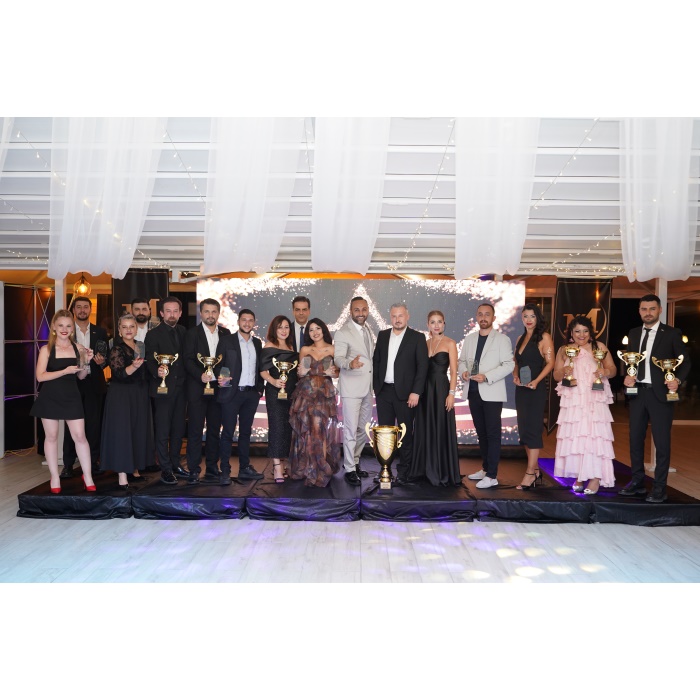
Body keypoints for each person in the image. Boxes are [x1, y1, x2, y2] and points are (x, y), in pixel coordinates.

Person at [619, 294, 691, 503]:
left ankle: (659, 488)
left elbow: (685, 362)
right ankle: (638, 483)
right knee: (635, 440)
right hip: (638, 393)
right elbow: (631, 362)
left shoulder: (672, 333)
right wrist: (628, 377)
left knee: (662, 442)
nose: (648, 313)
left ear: (660, 310)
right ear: (639, 311)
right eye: (644, 309)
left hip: (660, 394)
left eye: (652, 309)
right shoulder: (633, 333)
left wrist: (677, 380)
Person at [31, 310, 96, 493]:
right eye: (61, 325)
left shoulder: (79, 348)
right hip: (50, 397)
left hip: (71, 396)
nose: (64, 329)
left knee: (80, 437)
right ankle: (54, 477)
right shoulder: (46, 349)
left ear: (72, 328)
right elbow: (40, 376)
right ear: (54, 326)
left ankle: (88, 476)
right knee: (51, 437)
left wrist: (87, 362)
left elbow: (81, 376)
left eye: (68, 325)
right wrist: (64, 371)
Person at [552, 315, 616, 494]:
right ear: (571, 333)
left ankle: (595, 477)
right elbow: (556, 375)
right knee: (576, 435)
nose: (582, 335)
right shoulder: (564, 350)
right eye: (577, 331)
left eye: (585, 331)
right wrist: (564, 371)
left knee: (593, 435)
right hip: (573, 399)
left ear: (591, 332)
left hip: (594, 398)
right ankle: (580, 475)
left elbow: (612, 369)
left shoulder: (599, 347)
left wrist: (605, 372)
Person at [372, 303, 429, 485]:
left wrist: (416, 392)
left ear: (407, 316)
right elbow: (376, 361)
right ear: (390, 317)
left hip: (407, 395)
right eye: (394, 316)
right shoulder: (382, 335)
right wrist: (377, 388)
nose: (397, 319)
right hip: (384, 392)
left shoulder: (417, 337)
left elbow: (422, 367)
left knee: (405, 435)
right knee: (385, 435)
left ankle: (404, 472)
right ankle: (385, 470)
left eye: (401, 316)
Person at [459, 302, 514, 489]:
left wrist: (487, 376)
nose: (483, 317)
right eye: (480, 314)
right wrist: (463, 372)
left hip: (492, 393)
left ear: (493, 318)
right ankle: (485, 469)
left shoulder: (502, 339)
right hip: (473, 392)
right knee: (481, 434)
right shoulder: (470, 339)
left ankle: (492, 475)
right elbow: (461, 361)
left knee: (492, 434)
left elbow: (509, 364)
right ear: (477, 317)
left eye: (487, 314)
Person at [100, 313, 154, 489]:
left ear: (136, 328)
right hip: (121, 395)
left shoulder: (141, 345)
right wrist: (134, 366)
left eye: (132, 326)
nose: (128, 330)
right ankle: (122, 475)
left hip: (140, 394)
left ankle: (135, 470)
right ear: (119, 330)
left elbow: (146, 371)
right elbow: (120, 374)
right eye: (125, 327)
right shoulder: (116, 349)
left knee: (137, 430)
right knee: (122, 432)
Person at [409, 310, 461, 486]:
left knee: (439, 426)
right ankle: (424, 469)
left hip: (441, 390)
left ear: (444, 323)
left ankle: (440, 471)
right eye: (433, 322)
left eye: (439, 321)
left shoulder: (450, 343)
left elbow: (454, 372)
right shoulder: (425, 343)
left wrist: (451, 394)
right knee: (424, 426)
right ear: (428, 325)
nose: (436, 325)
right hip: (425, 391)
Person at [183, 298, 231, 484]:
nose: (210, 315)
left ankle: (212, 467)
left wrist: (223, 377)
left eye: (214, 311)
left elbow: (227, 361)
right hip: (197, 388)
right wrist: (200, 375)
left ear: (218, 313)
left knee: (214, 431)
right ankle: (193, 470)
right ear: (201, 313)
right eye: (207, 311)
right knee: (195, 431)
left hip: (217, 390)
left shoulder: (226, 333)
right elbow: (187, 360)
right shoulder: (191, 334)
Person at [289, 319, 342, 487]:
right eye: (311, 330)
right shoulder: (305, 349)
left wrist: (333, 374)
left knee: (320, 430)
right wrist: (302, 372)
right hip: (306, 393)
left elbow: (337, 372)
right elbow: (301, 374)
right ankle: (309, 468)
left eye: (317, 328)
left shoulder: (333, 349)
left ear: (323, 329)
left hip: (323, 393)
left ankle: (321, 467)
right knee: (308, 430)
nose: (315, 332)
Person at [60, 296, 108, 479]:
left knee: (94, 425)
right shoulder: (67, 331)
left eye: (85, 307)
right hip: (72, 383)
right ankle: (68, 464)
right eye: (78, 307)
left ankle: (93, 462)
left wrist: (102, 362)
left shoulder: (100, 332)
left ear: (90, 309)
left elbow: (105, 357)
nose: (82, 310)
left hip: (94, 383)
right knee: (71, 426)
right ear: (74, 310)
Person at [215, 309, 264, 485]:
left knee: (245, 432)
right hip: (231, 393)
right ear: (238, 321)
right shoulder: (226, 340)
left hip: (251, 394)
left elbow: (260, 367)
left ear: (254, 323)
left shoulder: (257, 343)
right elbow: (219, 364)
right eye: (244, 320)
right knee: (228, 433)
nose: (247, 323)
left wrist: (259, 390)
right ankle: (225, 471)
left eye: (250, 320)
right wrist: (222, 379)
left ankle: (244, 468)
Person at [145, 296, 188, 485]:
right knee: (163, 430)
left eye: (175, 311)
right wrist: (157, 371)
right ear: (162, 313)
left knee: (178, 429)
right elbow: (150, 360)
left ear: (180, 313)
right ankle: (165, 469)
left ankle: (176, 464)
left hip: (182, 389)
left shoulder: (184, 331)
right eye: (168, 311)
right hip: (162, 389)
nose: (172, 314)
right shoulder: (153, 335)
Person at [513, 303, 555, 489]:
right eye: (525, 316)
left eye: (532, 316)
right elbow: (516, 362)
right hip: (522, 390)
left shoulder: (544, 337)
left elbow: (550, 363)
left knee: (534, 429)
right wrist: (515, 376)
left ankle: (530, 473)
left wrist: (537, 381)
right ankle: (535, 470)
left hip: (535, 390)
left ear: (538, 318)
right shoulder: (520, 338)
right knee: (524, 430)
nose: (528, 320)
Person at [333, 296, 374, 486]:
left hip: (367, 387)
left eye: (364, 309)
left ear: (368, 311)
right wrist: (350, 364)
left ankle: (355, 462)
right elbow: (338, 358)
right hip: (351, 387)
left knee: (362, 430)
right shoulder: (343, 332)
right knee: (350, 430)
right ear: (350, 311)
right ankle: (349, 468)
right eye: (357, 310)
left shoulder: (368, 330)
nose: (361, 313)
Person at [260, 315, 299, 481]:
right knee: (277, 427)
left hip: (292, 392)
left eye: (286, 327)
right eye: (280, 327)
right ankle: (276, 467)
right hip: (275, 392)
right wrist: (274, 381)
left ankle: (284, 463)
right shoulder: (269, 346)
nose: (284, 330)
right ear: (274, 329)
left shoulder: (291, 346)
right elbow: (262, 371)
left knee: (288, 428)